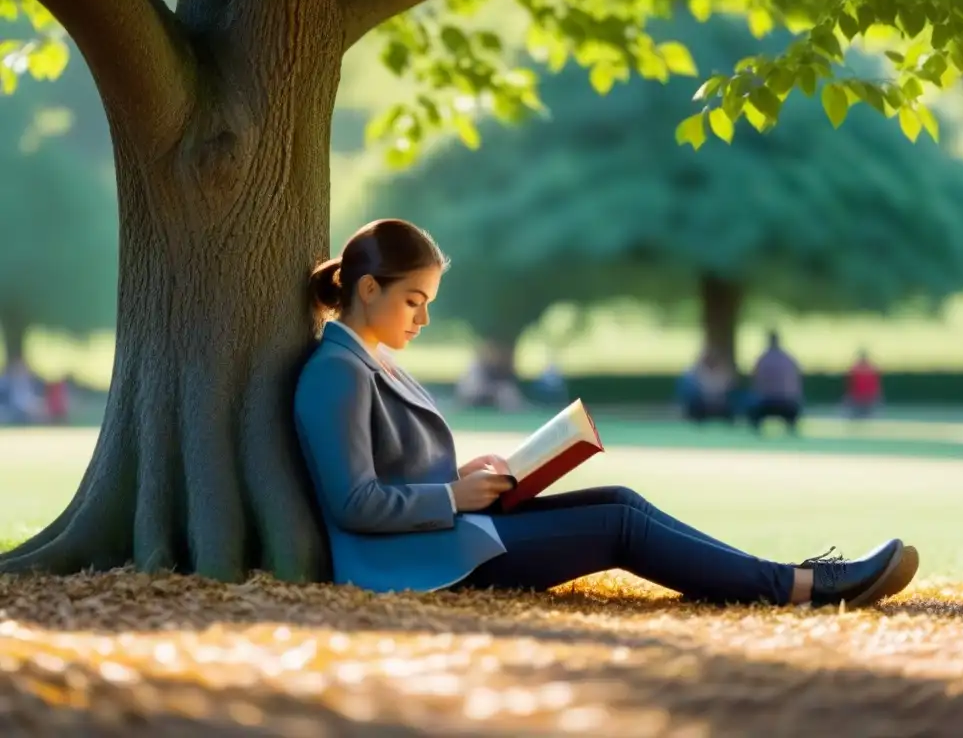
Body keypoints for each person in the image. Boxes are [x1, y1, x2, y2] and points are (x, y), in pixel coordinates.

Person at [293, 219, 919, 608]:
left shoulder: (372, 361)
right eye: (413, 300)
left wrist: (467, 477)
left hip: (446, 534)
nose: (423, 318)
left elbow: (397, 471)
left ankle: (785, 574)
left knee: (620, 498)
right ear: (368, 289)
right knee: (620, 531)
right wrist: (455, 495)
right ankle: (802, 588)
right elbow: (354, 502)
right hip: (420, 561)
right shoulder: (336, 373)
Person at [748, 330, 803, 433]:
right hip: (786, 403)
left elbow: (756, 383)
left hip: (767, 403)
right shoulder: (788, 359)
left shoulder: (763, 360)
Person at [677, 347, 738, 423]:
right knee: (694, 402)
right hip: (703, 402)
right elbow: (697, 387)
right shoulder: (697, 370)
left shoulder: (723, 371)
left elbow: (726, 387)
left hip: (720, 402)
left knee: (731, 402)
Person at [845, 349, 882, 419]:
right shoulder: (857, 368)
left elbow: (875, 385)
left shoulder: (870, 368)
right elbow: (851, 384)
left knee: (865, 415)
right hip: (859, 397)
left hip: (867, 397)